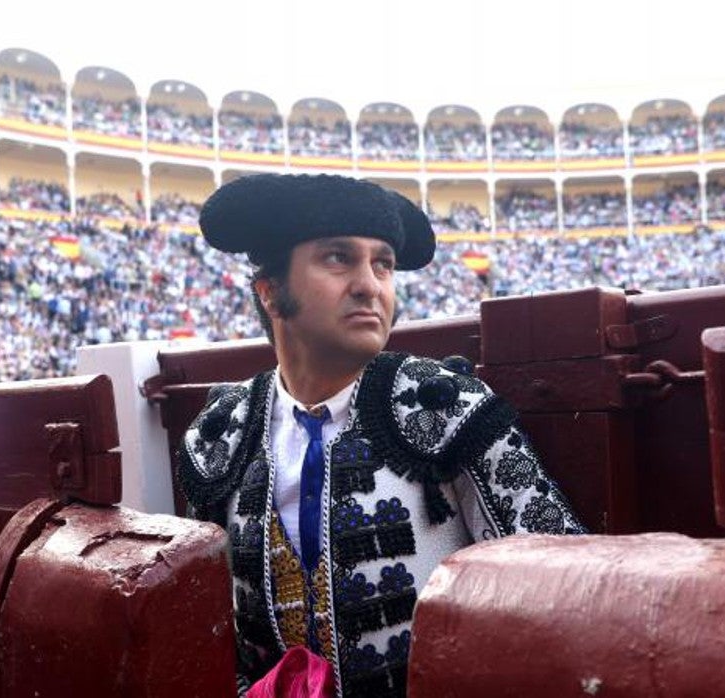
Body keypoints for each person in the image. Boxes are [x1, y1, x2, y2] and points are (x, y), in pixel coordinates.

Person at [178, 174, 584, 698]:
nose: (370, 284)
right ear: (271, 293)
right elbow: (206, 630)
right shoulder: (220, 435)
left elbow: (557, 586)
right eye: (337, 258)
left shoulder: (446, 406)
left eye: (383, 263)